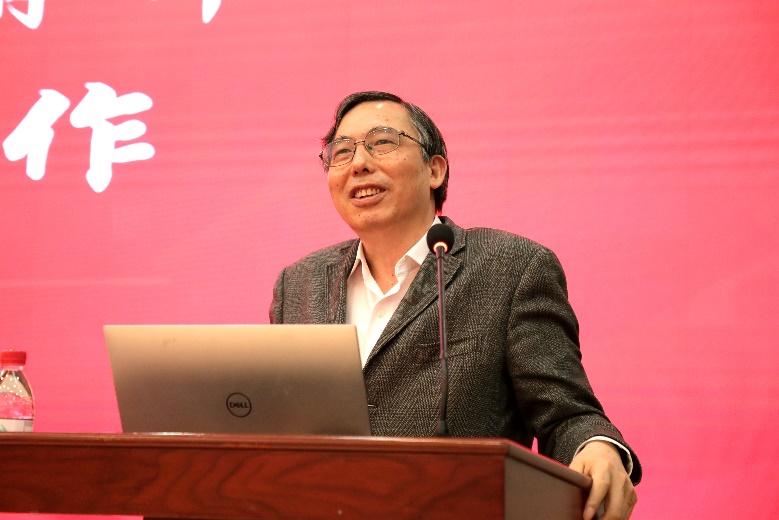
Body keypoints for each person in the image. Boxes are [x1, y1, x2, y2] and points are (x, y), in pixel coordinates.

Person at [270, 91, 641, 519]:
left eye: (382, 142)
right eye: (341, 152)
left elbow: (566, 413)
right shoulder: (299, 284)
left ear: (435, 169)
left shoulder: (510, 267)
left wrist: (597, 447)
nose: (359, 163)